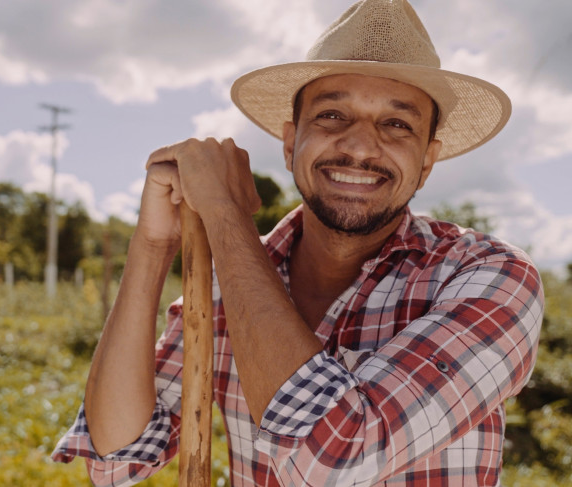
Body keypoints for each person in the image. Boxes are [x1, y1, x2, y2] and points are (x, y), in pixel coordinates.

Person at [52, 0, 544, 485]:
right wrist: (153, 245)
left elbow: (336, 460)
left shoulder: (491, 278)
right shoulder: (222, 288)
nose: (359, 146)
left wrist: (224, 212)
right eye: (332, 115)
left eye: (397, 124)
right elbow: (118, 457)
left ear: (428, 161)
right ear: (290, 144)